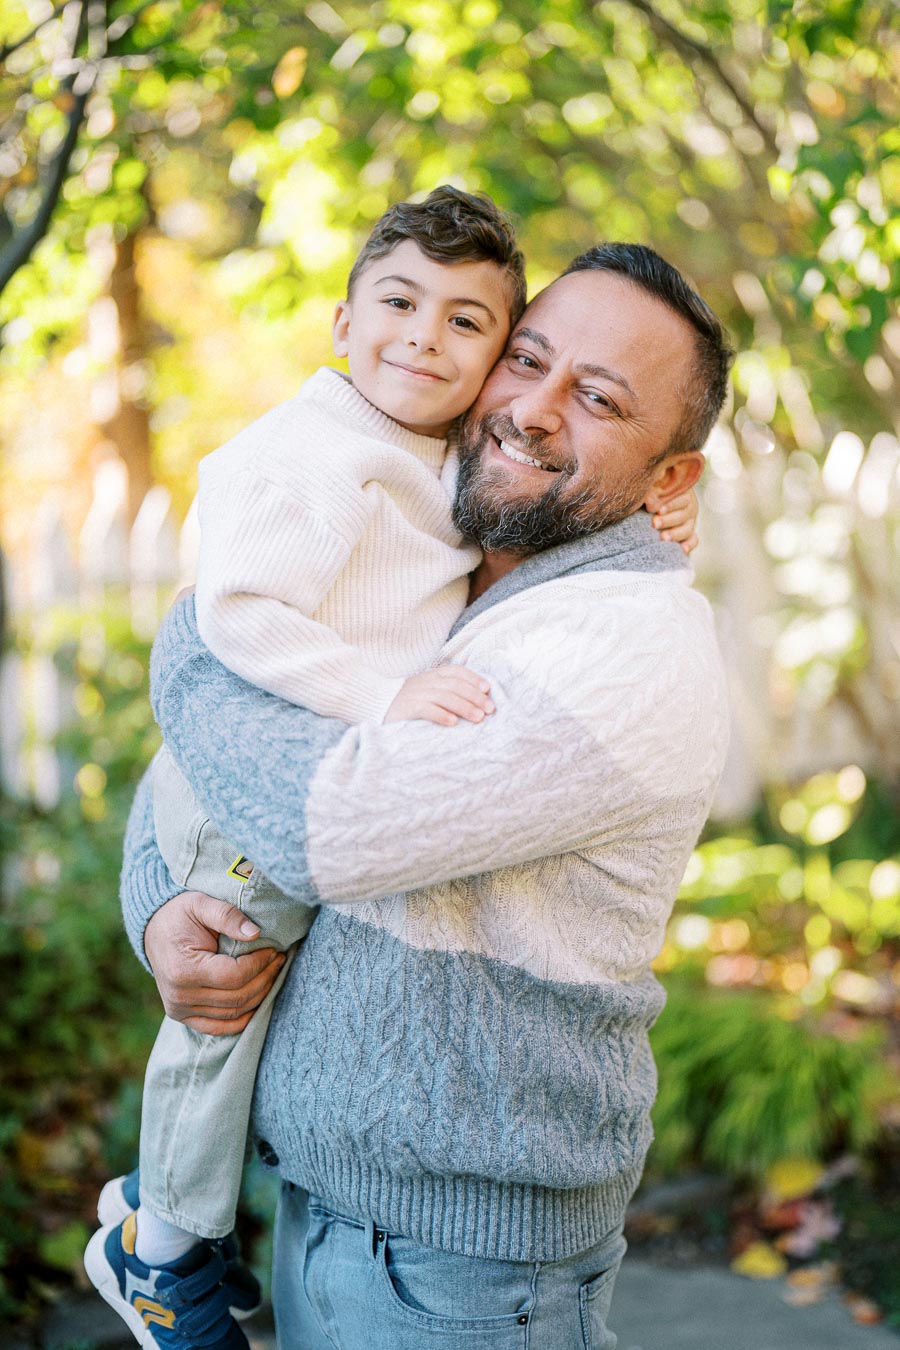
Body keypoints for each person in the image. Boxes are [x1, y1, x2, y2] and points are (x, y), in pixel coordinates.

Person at [84, 192, 698, 1350]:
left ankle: (161, 1241)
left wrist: (190, 647)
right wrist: (160, 901)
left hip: (462, 1270)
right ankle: (171, 1233)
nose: (533, 407)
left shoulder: (618, 636)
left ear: (670, 478)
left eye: (601, 398)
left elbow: (324, 827)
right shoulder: (431, 499)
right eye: (529, 360)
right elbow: (229, 756)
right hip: (326, 1213)